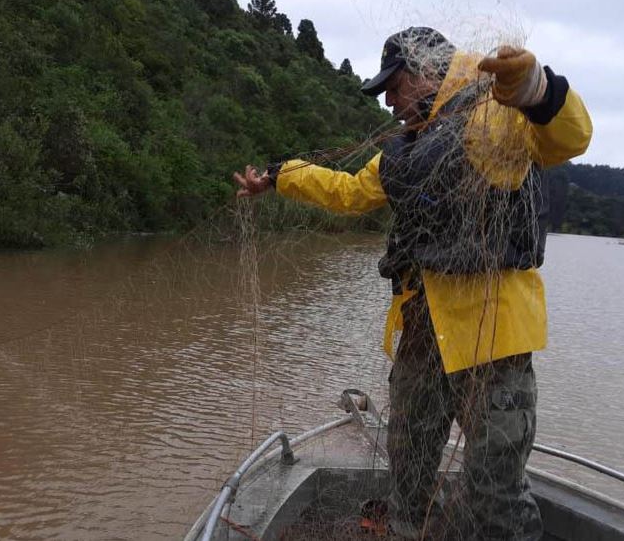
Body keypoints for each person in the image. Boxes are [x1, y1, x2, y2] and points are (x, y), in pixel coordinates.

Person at [234, 27, 592, 540]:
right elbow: (348, 191)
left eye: (395, 87)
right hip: (423, 336)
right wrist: (278, 175)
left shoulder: (498, 115)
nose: (391, 103)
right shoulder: (403, 152)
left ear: (428, 72)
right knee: (408, 469)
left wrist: (537, 90)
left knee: (495, 487)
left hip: (493, 343)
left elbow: (568, 138)